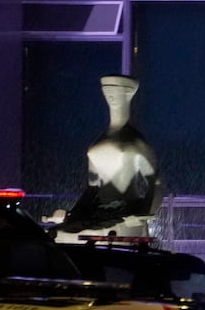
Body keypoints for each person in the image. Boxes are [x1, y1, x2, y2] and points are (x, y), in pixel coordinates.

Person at [58, 74, 163, 238]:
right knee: (58, 234)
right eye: (108, 93)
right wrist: (74, 214)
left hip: (126, 213)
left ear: (128, 95)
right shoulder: (97, 144)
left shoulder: (136, 142)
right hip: (98, 212)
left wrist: (143, 215)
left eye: (116, 93)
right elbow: (92, 188)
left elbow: (156, 183)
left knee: (90, 234)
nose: (111, 97)